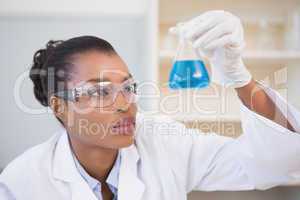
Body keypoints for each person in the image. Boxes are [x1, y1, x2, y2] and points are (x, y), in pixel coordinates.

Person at [0, 10, 299, 200]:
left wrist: (238, 76)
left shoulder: (163, 142)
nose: (125, 104)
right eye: (101, 92)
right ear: (60, 107)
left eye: (128, 87)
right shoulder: (22, 182)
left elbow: (280, 163)